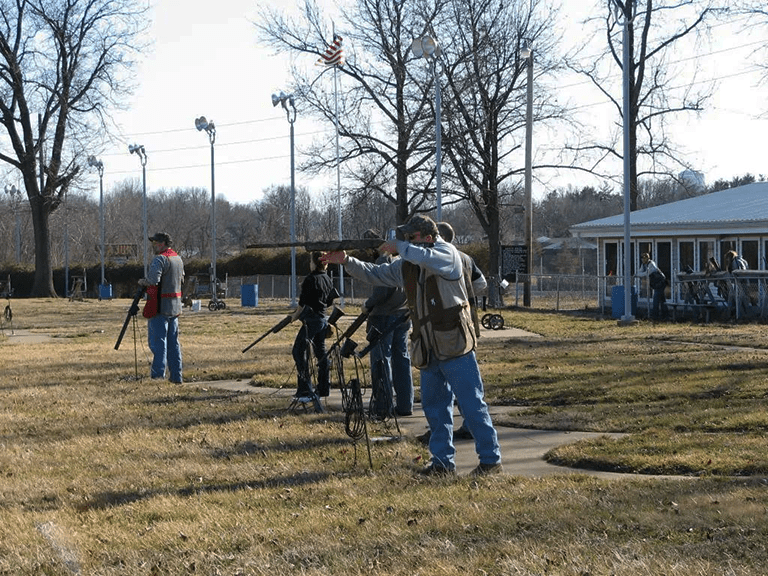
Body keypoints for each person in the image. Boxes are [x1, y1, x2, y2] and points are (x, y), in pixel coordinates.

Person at [322, 215, 502, 476]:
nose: (406, 242)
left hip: (455, 343)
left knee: (473, 405)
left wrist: (400, 247)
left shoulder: (447, 254)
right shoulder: (410, 263)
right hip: (427, 346)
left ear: (428, 238)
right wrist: (346, 261)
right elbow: (377, 274)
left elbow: (432, 259)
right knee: (434, 408)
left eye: (411, 238)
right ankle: (442, 463)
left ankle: (490, 460)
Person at [362, 230, 414, 420]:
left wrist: (367, 305)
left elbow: (381, 292)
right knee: (402, 360)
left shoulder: (382, 262)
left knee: (381, 360)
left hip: (384, 316)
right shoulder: (400, 262)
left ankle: (383, 405)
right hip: (402, 315)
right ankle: (405, 404)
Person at [288, 251, 338, 411]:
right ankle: (324, 387)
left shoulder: (310, 279)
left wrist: (293, 317)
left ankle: (305, 388)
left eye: (310, 261)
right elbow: (330, 300)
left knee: (298, 351)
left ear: (314, 263)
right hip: (323, 320)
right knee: (321, 353)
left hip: (311, 321)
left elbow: (302, 304)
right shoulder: (327, 278)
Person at [138, 232, 185, 383]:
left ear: (163, 243)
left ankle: (158, 376)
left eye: (156, 243)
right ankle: (176, 377)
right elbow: (181, 279)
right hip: (175, 307)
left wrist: (142, 282)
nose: (154, 246)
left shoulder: (160, 259)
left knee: (158, 343)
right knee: (174, 344)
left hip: (160, 307)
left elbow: (153, 280)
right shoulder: (178, 259)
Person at [636, 252, 668, 320]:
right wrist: (638, 274)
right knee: (662, 299)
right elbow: (639, 272)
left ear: (647, 258)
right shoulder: (643, 265)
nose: (642, 260)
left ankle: (655, 316)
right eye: (642, 258)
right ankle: (665, 315)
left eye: (644, 258)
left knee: (656, 298)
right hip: (656, 284)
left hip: (661, 282)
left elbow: (647, 273)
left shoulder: (651, 264)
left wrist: (640, 274)